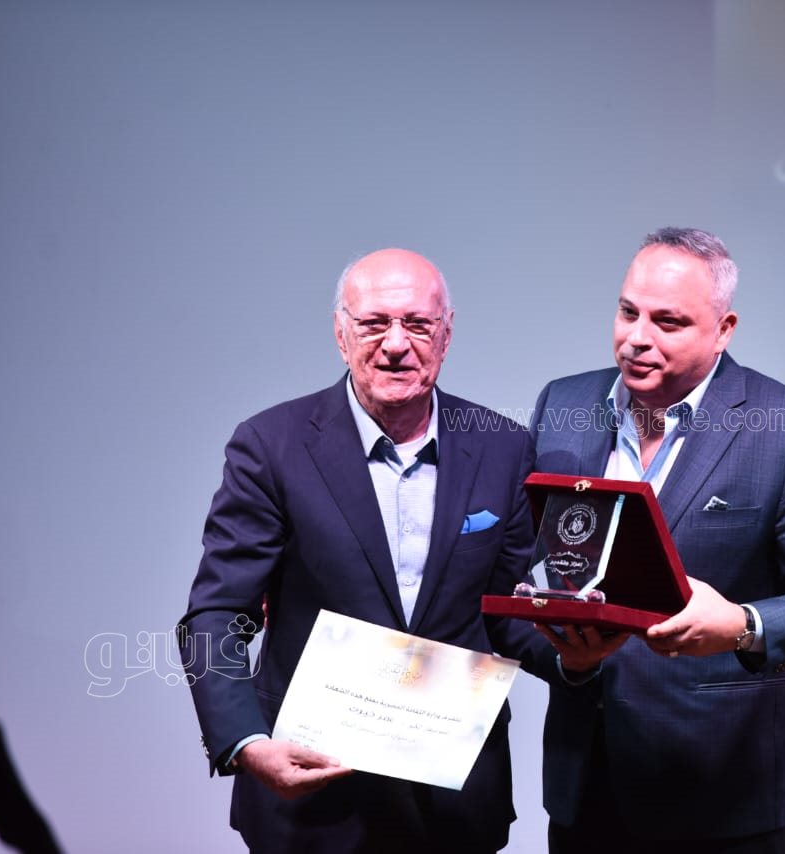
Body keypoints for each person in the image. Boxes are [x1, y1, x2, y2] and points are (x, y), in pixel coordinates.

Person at [177, 248, 555, 854]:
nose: (396, 344)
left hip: (455, 803)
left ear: (447, 334)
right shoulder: (270, 446)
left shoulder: (504, 447)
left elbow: (506, 612)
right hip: (311, 798)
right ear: (340, 332)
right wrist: (245, 742)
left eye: (418, 324)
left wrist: (577, 656)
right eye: (374, 323)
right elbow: (218, 613)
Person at [530, 227, 785, 853]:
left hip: (729, 786)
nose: (637, 337)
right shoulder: (563, 404)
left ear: (724, 329)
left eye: (668, 322)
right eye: (628, 312)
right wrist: (569, 658)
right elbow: (530, 562)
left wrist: (742, 625)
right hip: (588, 779)